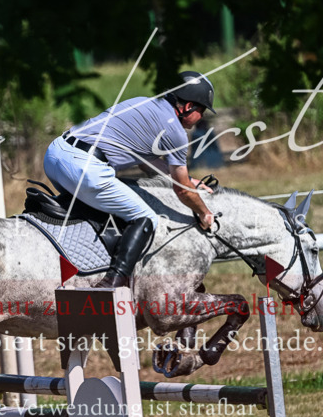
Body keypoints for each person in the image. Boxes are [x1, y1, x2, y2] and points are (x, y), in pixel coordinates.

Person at [43, 71, 218, 288]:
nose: (202, 116)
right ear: (188, 106)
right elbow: (182, 190)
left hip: (55, 153)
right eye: (202, 110)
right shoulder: (176, 132)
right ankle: (113, 282)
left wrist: (189, 180)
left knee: (98, 211)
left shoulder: (143, 102)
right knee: (146, 218)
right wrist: (204, 212)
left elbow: (147, 163)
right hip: (84, 168)